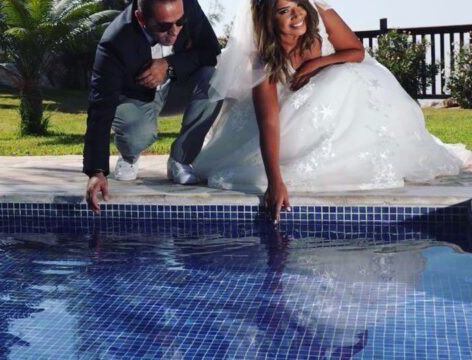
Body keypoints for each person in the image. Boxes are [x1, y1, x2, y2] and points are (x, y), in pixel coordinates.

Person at [193, 0, 472, 222]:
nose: (298, 14)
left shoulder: (321, 13)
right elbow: (269, 124)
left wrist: (317, 64)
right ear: (268, 20)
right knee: (284, 142)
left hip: (341, 102)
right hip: (293, 116)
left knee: (348, 76)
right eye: (284, 10)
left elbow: (356, 51)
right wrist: (275, 182)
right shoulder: (264, 66)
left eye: (298, 5)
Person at [83, 0, 223, 213]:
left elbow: (211, 52)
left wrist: (170, 66)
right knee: (139, 133)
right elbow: (100, 107)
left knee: (217, 81)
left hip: (176, 87)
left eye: (180, 22)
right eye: (165, 26)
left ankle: (180, 159)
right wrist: (96, 170)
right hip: (136, 97)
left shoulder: (187, 7)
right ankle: (130, 156)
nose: (175, 31)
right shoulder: (115, 41)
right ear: (141, 18)